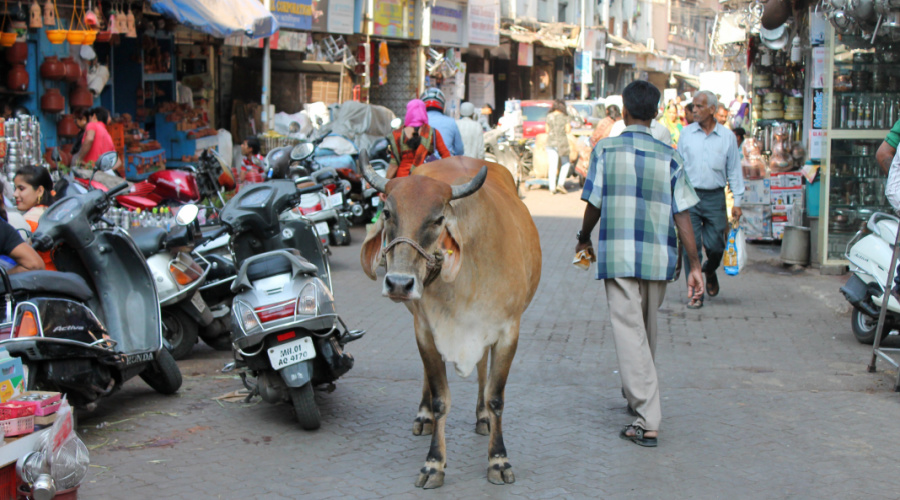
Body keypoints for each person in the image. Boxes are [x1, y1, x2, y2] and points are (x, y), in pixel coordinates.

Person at [576, 80, 703, 448]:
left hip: (618, 253)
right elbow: (683, 216)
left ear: (626, 112)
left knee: (631, 331)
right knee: (643, 330)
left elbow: (593, 203)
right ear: (656, 113)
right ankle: (638, 397)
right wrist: (694, 264)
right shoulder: (671, 156)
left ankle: (648, 418)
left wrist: (584, 237)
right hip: (659, 256)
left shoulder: (606, 151)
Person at [677, 90, 745, 309]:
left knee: (716, 246)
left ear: (712, 110)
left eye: (699, 106)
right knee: (692, 246)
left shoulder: (727, 138)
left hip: (715, 197)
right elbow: (678, 166)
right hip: (690, 196)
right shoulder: (686, 134)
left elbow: (734, 171)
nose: (694, 110)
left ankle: (709, 270)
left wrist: (738, 202)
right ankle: (696, 294)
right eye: (693, 106)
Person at [385, 99, 451, 180]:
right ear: (424, 112)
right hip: (426, 179)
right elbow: (446, 157)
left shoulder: (397, 134)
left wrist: (385, 186)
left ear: (409, 112)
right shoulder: (433, 132)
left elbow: (394, 164)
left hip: (402, 181)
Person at [13, 165, 56, 271]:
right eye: (15, 189)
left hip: (39, 281)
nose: (15, 194)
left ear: (40, 191)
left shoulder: (29, 222)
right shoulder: (55, 213)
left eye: (21, 189)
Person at [420, 88, 464, 157]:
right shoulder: (451, 122)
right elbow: (459, 150)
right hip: (446, 164)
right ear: (443, 105)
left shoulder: (418, 122)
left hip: (422, 165)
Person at [544, 99, 572, 194]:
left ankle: (552, 188)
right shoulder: (565, 116)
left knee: (553, 165)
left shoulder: (549, 116)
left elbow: (547, 130)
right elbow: (568, 130)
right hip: (562, 143)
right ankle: (560, 184)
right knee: (566, 163)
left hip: (550, 142)